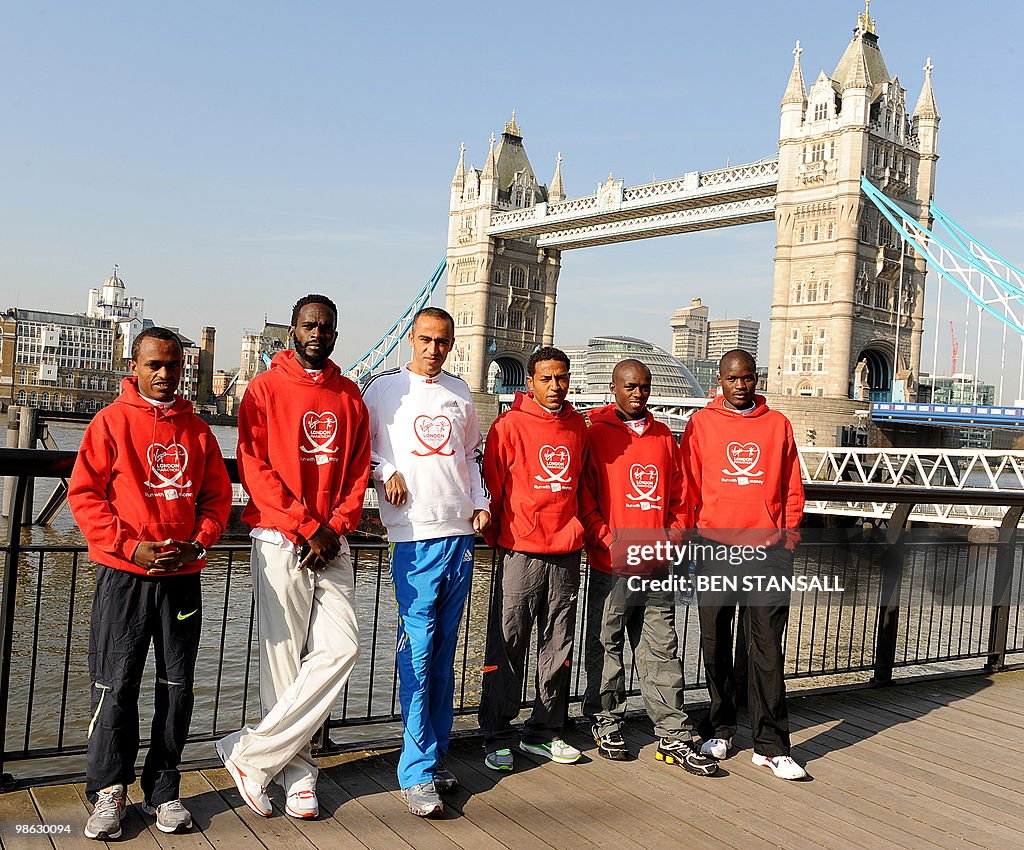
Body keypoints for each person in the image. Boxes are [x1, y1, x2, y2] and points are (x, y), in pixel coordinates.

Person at [69, 327, 232, 839]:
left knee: (176, 686)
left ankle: (164, 789)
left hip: (182, 579)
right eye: (154, 365)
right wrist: (126, 545)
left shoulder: (199, 431)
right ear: (135, 366)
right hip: (125, 577)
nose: (164, 375)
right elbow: (86, 495)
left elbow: (216, 499)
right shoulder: (110, 422)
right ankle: (108, 790)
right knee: (114, 686)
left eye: (173, 366)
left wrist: (199, 544)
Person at [217, 294, 370, 818]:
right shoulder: (262, 390)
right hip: (282, 538)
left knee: (343, 647)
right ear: (292, 329)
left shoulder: (351, 395)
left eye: (326, 327)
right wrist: (307, 527)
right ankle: (299, 774)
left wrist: (336, 526)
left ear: (335, 333)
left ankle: (252, 755)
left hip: (333, 540)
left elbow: (357, 470)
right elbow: (254, 469)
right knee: (281, 663)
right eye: (308, 325)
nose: (317, 334)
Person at [362, 307, 490, 817]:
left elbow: (472, 455)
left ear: (452, 344)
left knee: (442, 655)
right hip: (414, 535)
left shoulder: (461, 393)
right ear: (410, 339)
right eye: (426, 340)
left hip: (460, 533)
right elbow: (362, 447)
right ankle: (413, 773)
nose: (434, 349)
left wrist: (481, 502)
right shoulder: (382, 389)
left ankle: (433, 757)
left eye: (443, 341)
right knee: (416, 654)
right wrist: (385, 470)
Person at [580, 359, 718, 777]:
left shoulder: (663, 436)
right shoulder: (595, 435)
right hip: (612, 563)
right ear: (613, 388)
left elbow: (680, 497)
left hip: (657, 564)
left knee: (662, 648)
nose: (638, 394)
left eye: (644, 387)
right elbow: (585, 497)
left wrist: (673, 538)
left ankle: (674, 732)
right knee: (607, 646)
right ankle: (606, 721)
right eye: (629, 386)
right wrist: (608, 539)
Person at [681, 349, 807, 780]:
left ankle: (771, 744)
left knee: (767, 648)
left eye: (748, 378)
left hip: (769, 551)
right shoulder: (700, 424)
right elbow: (689, 483)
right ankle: (719, 725)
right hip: (716, 547)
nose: (740, 385)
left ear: (756, 379)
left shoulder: (778, 425)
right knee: (714, 640)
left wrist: (788, 537)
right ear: (720, 379)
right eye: (733, 378)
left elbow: (792, 485)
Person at [478, 346, 588, 772]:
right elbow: (493, 487)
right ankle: (497, 733)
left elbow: (583, 484)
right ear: (530, 383)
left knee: (557, 645)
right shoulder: (508, 426)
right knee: (508, 644)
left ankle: (545, 731)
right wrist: (499, 537)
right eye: (546, 379)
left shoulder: (580, 426)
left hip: (565, 551)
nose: (556, 387)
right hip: (519, 550)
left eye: (562, 378)